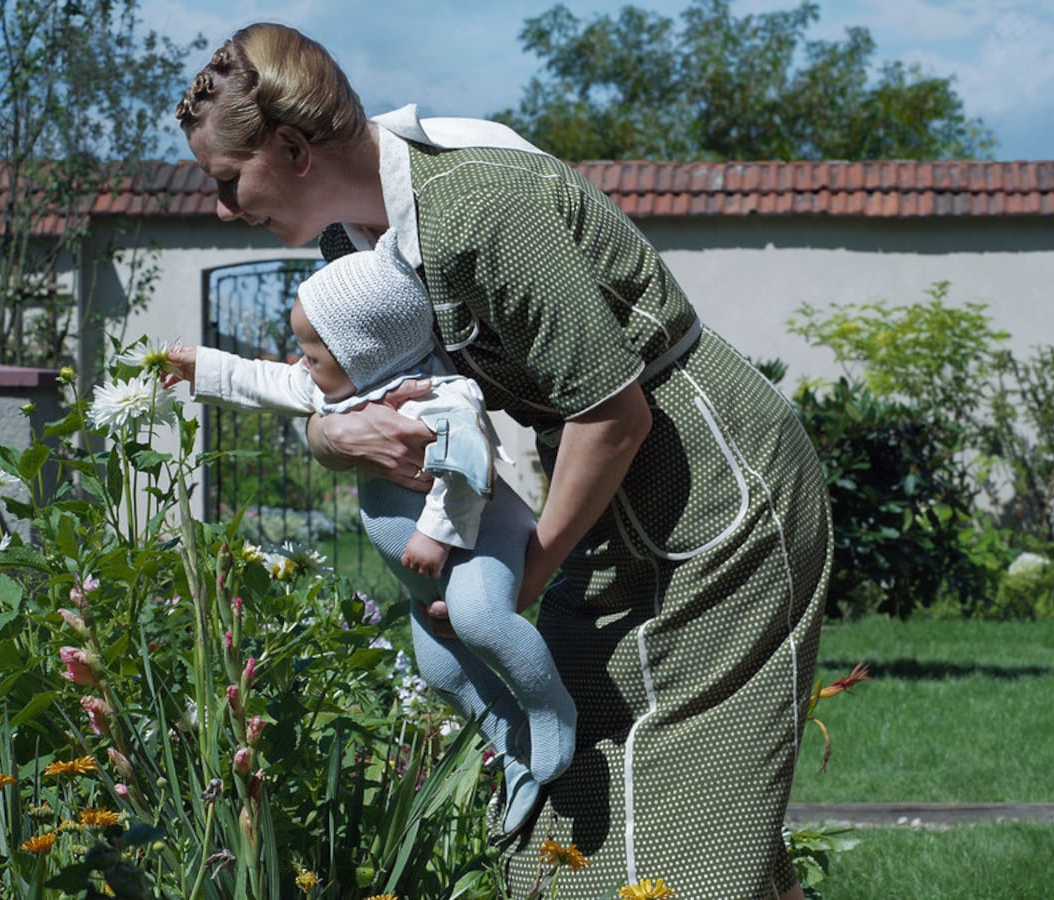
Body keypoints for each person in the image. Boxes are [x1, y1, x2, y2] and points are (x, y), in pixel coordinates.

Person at [175, 23, 833, 899]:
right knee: (586, 797)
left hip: (710, 490)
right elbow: (340, 401)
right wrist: (334, 438)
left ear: (293, 149)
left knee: (677, 819)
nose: (224, 208)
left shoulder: (481, 209)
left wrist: (528, 574)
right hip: (601, 499)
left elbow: (615, 414)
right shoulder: (354, 249)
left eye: (228, 179)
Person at [165, 231, 575, 836]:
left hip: (477, 541)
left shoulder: (440, 396)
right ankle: (511, 741)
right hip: (426, 575)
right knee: (442, 671)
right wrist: (199, 366)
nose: (301, 361)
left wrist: (435, 534)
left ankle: (550, 712)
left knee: (482, 620)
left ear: (364, 352)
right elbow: (266, 381)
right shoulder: (344, 389)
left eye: (313, 353)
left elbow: (470, 465)